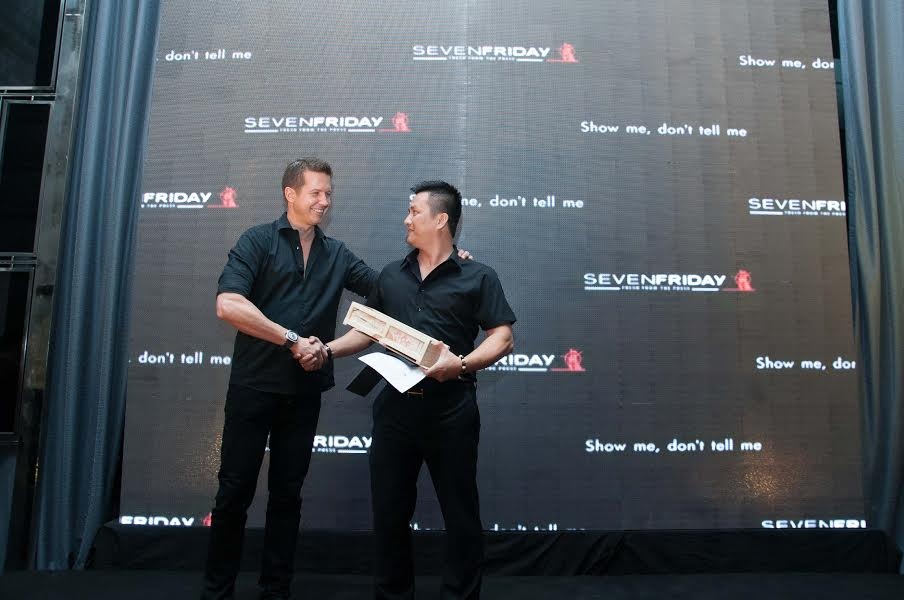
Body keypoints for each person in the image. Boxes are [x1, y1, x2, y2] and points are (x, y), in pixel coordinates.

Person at [203, 160, 471, 600]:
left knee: (287, 496)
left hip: (303, 393)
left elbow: (391, 290)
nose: (324, 201)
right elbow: (228, 304)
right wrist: (291, 339)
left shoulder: (337, 254)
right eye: (315, 193)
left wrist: (447, 262)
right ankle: (217, 592)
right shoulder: (257, 241)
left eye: (328, 193)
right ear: (290, 194)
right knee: (234, 492)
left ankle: (276, 591)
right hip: (254, 386)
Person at [323, 180, 516, 599]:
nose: (406, 219)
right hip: (395, 412)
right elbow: (366, 331)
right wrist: (326, 350)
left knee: (461, 516)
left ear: (441, 219)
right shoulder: (391, 275)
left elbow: (502, 338)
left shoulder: (478, 276)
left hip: (452, 412)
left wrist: (460, 364)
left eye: (414, 211)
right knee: (389, 515)